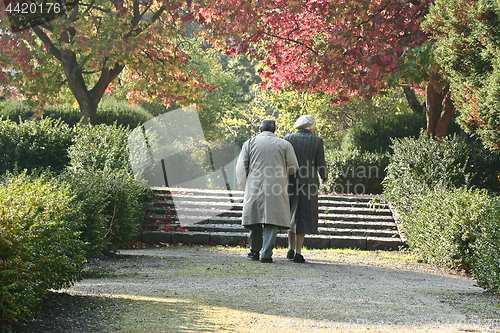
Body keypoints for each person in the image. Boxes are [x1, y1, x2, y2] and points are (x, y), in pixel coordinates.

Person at [236, 119, 299, 263]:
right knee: (271, 220)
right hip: (276, 186)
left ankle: (254, 251)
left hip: (254, 185)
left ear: (260, 129)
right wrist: (282, 174)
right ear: (274, 130)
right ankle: (266, 253)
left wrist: (245, 186)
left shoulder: (249, 143)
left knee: (254, 219)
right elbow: (294, 166)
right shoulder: (284, 144)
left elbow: (241, 168)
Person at [284, 115, 328, 263]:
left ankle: (290, 249)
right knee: (303, 216)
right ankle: (298, 252)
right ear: (311, 126)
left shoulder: (288, 139)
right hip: (309, 183)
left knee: (291, 214)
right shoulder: (317, 140)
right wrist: (324, 177)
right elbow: (320, 162)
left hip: (290, 181)